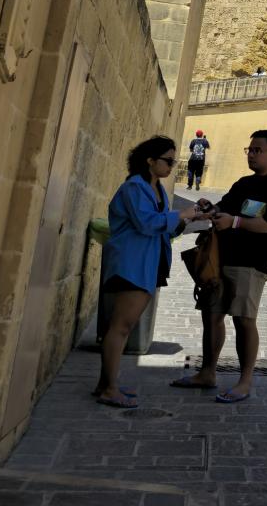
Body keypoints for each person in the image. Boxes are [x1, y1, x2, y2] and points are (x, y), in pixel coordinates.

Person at [172, 129, 267, 404]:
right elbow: (224, 208)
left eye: (257, 150)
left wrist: (236, 222)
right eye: (249, 150)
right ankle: (207, 373)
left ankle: (244, 381)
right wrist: (209, 209)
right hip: (220, 259)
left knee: (244, 320)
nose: (251, 154)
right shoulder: (243, 183)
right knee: (211, 315)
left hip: (251, 264)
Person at [96, 136, 203, 408]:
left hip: (146, 263)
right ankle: (109, 389)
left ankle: (106, 383)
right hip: (131, 263)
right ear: (150, 160)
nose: (171, 166)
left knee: (121, 326)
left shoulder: (156, 189)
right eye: (168, 161)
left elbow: (162, 227)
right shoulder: (135, 187)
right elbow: (146, 222)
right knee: (121, 327)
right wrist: (181, 215)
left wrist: (190, 218)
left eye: (173, 161)